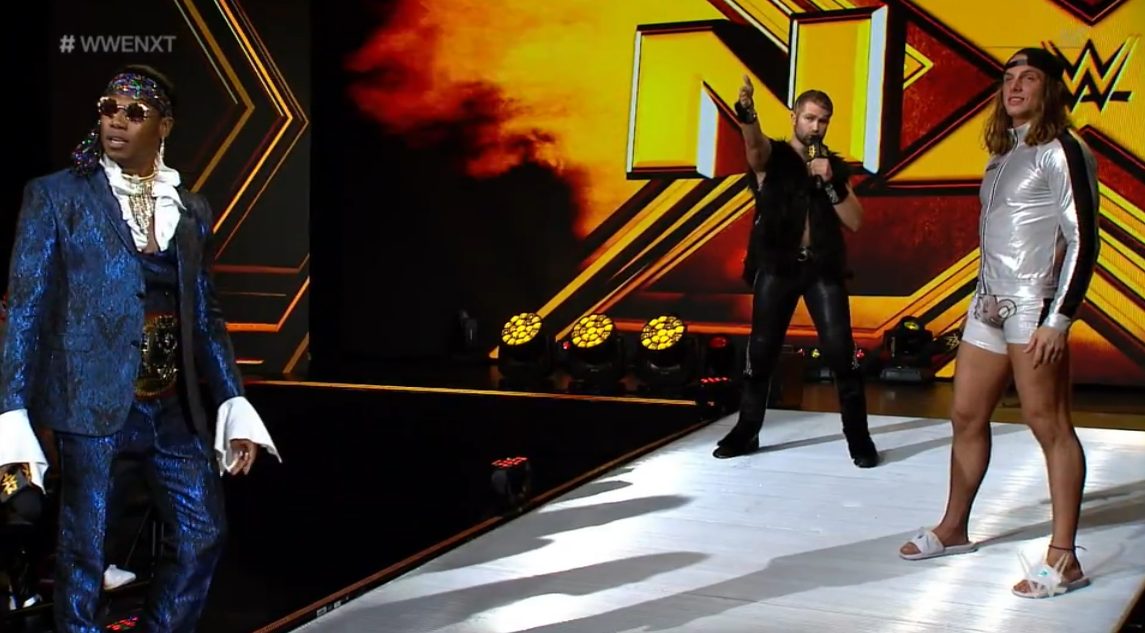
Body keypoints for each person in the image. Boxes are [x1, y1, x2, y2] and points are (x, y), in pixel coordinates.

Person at [0, 64, 280, 631]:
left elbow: (206, 315)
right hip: (91, 401)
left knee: (202, 534)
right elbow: (25, 308)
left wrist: (233, 402)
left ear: (164, 126)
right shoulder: (56, 196)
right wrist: (12, 414)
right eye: (108, 109)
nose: (116, 122)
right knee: (85, 551)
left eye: (134, 113)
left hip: (172, 406)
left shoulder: (191, 209)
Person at [897, 48, 1099, 600]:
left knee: (1048, 423)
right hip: (988, 302)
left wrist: (1060, 318)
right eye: (1009, 78)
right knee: (965, 414)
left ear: (1049, 89)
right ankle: (953, 528)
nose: (1015, 87)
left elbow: (1084, 239)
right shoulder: (1005, 151)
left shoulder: (1064, 149)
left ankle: (1064, 559)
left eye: (1028, 78)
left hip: (1034, 305)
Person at [713, 76, 879, 468]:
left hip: (821, 268)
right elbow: (754, 148)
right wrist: (747, 115)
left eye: (823, 121)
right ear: (794, 118)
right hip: (778, 265)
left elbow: (855, 221)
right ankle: (747, 430)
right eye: (809, 118)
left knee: (841, 353)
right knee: (761, 352)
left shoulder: (831, 167)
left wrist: (830, 183)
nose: (816, 127)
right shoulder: (773, 158)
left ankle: (858, 437)